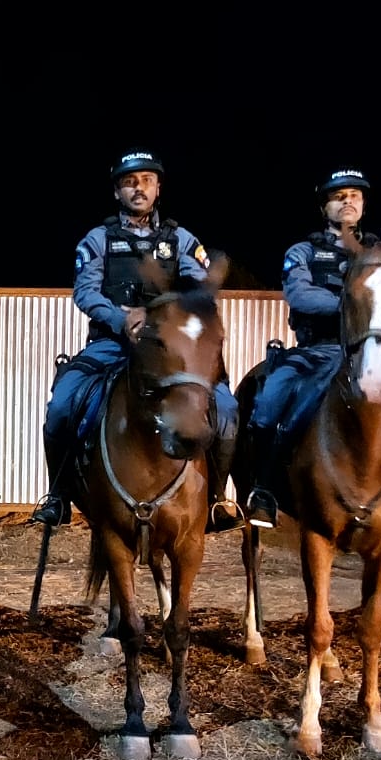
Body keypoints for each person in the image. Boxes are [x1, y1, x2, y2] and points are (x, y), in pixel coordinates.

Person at [240, 167, 381, 539]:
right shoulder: (302, 252)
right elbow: (299, 295)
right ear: (324, 206)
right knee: (269, 402)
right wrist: (353, 304)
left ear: (363, 205)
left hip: (377, 353)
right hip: (317, 351)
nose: (348, 201)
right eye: (339, 196)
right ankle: (264, 490)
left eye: (355, 195)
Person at [31, 148, 242, 533]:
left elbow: (199, 292)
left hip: (172, 351)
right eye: (129, 182)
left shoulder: (182, 239)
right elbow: (86, 291)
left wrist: (166, 316)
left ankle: (214, 501)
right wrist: (121, 317)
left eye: (146, 180)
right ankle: (59, 496)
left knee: (226, 409)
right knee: (62, 404)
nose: (138, 188)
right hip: (112, 344)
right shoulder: (97, 240)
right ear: (117, 192)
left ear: (158, 187)